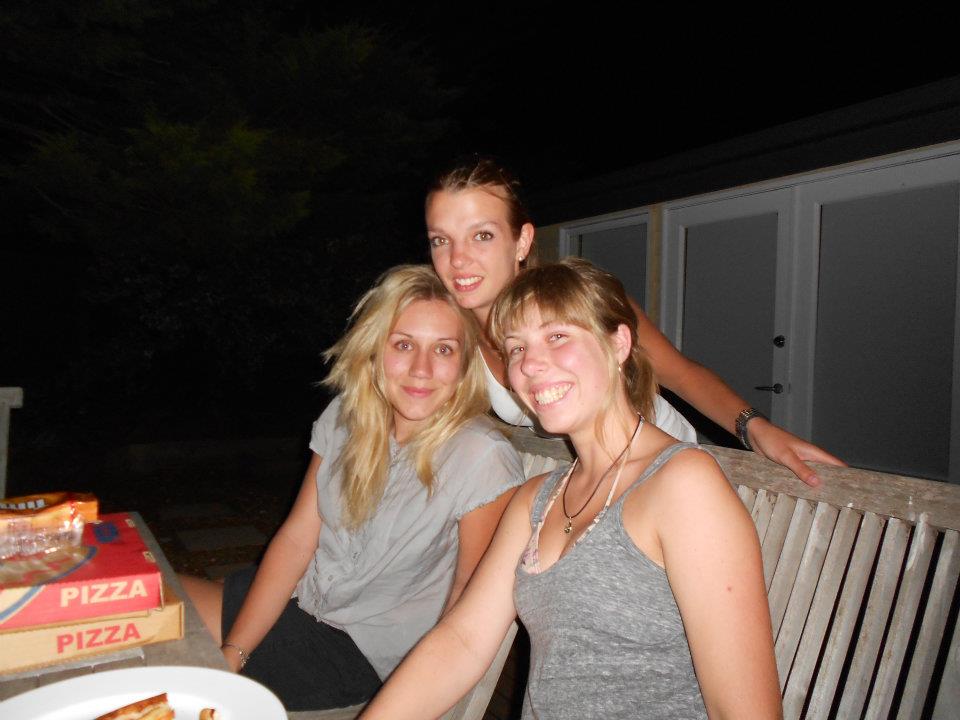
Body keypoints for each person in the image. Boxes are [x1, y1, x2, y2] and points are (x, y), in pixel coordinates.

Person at [360, 258, 782, 720]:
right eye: (516, 348)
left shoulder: (682, 486)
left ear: (618, 344)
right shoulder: (535, 501)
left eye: (557, 337)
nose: (530, 365)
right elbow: (462, 641)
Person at [180, 265, 525, 711]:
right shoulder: (347, 416)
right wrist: (235, 652)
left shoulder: (480, 457)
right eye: (404, 344)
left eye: (443, 349)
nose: (421, 369)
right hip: (298, 600)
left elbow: (467, 608)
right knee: (151, 602)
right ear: (375, 348)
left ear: (464, 363)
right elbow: (297, 539)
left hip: (356, 653)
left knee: (159, 631)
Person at [425, 156, 842, 486]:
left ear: (522, 241)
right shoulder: (453, 333)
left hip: (662, 470)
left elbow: (681, 375)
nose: (458, 259)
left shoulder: (578, 303)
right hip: (585, 480)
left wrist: (754, 428)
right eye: (441, 240)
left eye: (482, 235)